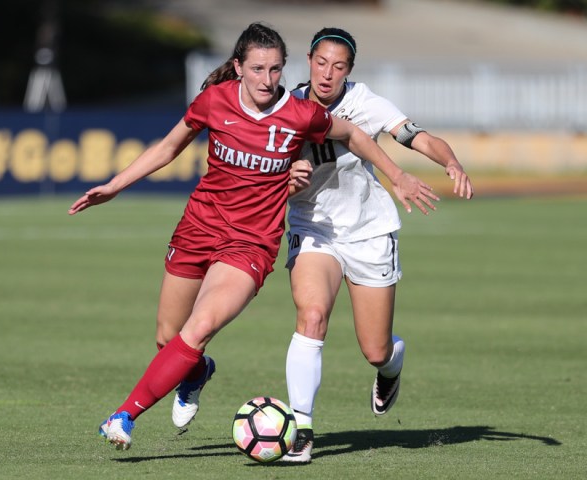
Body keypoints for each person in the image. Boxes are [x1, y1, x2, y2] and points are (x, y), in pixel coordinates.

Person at [68, 22, 437, 451]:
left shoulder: (301, 113)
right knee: (169, 339)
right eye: (258, 69)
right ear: (239, 67)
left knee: (200, 326)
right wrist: (115, 185)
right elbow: (169, 148)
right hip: (198, 227)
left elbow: (353, 134)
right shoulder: (214, 100)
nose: (268, 80)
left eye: (276, 69)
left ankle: (123, 416)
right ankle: (197, 373)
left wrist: (395, 175)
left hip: (250, 245)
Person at [281, 28, 474, 462]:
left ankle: (392, 362)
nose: (328, 73)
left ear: (349, 70)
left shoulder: (365, 103)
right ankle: (302, 430)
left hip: (368, 231)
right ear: (308, 60)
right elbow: (267, 172)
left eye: (339, 66)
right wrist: (285, 182)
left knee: (374, 349)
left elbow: (416, 136)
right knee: (311, 316)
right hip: (314, 229)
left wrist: (450, 161)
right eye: (321, 62)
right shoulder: (286, 106)